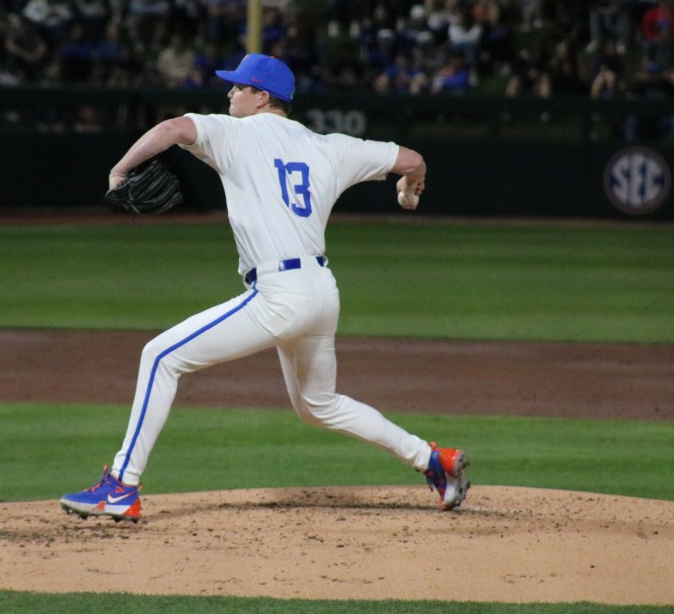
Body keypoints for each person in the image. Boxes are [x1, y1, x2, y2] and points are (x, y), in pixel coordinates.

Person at [60, 53, 470, 522]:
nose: (229, 93)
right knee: (319, 405)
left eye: (238, 87)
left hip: (280, 293)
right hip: (321, 291)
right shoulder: (328, 145)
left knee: (160, 356)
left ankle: (121, 486)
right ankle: (431, 459)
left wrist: (118, 170)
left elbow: (172, 128)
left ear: (262, 97)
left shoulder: (234, 132)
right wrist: (407, 189)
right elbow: (412, 159)